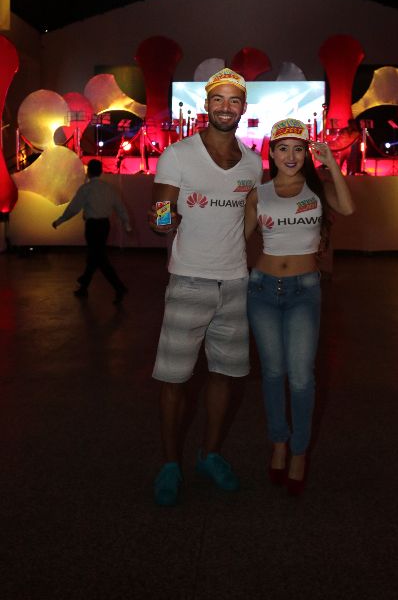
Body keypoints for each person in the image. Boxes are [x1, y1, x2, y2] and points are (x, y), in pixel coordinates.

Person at [148, 68, 263, 506]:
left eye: (234, 100)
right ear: (207, 104)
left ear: (243, 108)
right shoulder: (178, 154)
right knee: (175, 378)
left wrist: (237, 247)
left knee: (225, 375)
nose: (226, 107)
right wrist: (164, 223)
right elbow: (161, 210)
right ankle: (169, 463)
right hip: (188, 280)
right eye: (219, 99)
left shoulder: (252, 162)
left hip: (234, 282)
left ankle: (210, 455)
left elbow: (249, 210)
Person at [244, 118, 355, 495]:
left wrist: (332, 164)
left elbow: (348, 208)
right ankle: (279, 442)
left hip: (304, 291)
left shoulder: (318, 189)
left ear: (306, 154)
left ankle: (299, 450)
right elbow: (237, 237)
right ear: (271, 153)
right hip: (262, 289)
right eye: (282, 148)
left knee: (302, 376)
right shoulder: (259, 194)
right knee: (273, 373)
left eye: (297, 149)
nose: (290, 156)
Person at [52, 158, 132, 304]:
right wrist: (126, 224)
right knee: (95, 256)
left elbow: (73, 208)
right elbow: (119, 207)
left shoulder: (86, 189)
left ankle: (118, 287)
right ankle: (84, 285)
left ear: (88, 172)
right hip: (105, 225)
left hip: (93, 226)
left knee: (98, 258)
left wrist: (60, 220)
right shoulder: (108, 188)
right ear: (101, 172)